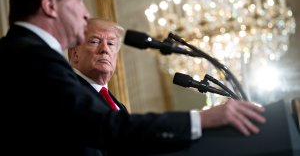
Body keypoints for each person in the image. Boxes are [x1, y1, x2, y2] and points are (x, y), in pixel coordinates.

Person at [68, 18, 267, 155]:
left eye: (111, 44)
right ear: (74, 54)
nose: (104, 49)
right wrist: (199, 120)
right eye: (94, 41)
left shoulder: (115, 103)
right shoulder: (70, 94)